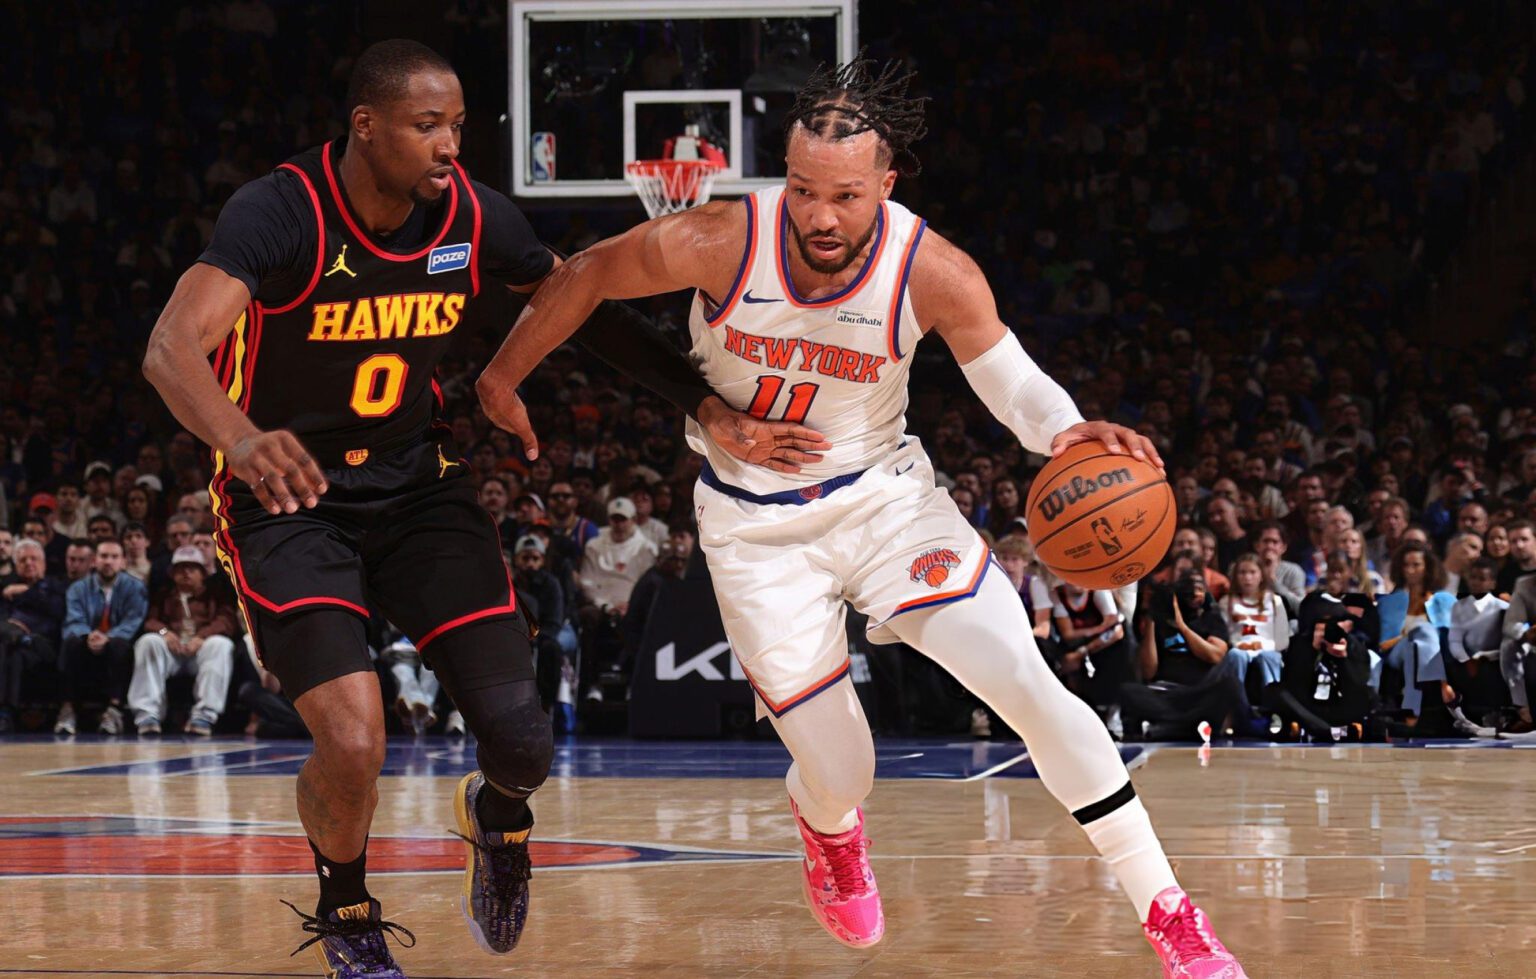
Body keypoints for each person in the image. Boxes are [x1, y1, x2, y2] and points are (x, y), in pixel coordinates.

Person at [476, 56, 1245, 974]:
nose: (820, 215)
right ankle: (830, 826)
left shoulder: (935, 271)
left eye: (844, 194)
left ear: (886, 183)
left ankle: (1171, 913)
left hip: (888, 504)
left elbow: (1013, 386)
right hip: (755, 530)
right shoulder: (724, 237)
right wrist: (501, 375)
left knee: (1034, 691)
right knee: (845, 771)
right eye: (802, 189)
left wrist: (1074, 430)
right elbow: (591, 273)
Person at [140, 38, 813, 973]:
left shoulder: (469, 215)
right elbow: (172, 345)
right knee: (354, 736)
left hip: (420, 488)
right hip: (288, 502)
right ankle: (347, 909)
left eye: (458, 124)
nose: (451, 144)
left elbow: (582, 293)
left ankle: (496, 821)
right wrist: (244, 441)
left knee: (523, 741)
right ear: (365, 127)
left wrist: (700, 402)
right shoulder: (280, 212)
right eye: (427, 126)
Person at [127, 545, 237, 736]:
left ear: (203, 573)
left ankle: (204, 716)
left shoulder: (215, 594)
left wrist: (202, 637)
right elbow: (150, 620)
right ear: (172, 573)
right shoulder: (164, 595)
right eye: (181, 568)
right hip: (173, 652)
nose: (186, 572)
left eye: (192, 568)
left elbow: (226, 621)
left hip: (200, 653)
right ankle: (147, 715)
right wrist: (164, 632)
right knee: (148, 642)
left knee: (221, 644)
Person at [56, 537, 148, 736]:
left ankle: (114, 710)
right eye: (103, 556)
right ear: (94, 561)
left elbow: (133, 621)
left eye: (114, 557)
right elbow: (74, 620)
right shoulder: (77, 588)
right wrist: (89, 635)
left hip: (117, 644)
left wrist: (109, 637)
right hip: (86, 642)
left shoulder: (135, 587)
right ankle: (68, 709)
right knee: (70, 642)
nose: (108, 561)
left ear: (123, 561)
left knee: (120, 645)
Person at [0, 540, 65, 733]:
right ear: (16, 565)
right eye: (23, 560)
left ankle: (4, 713)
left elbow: (56, 611)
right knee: (10, 651)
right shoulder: (5, 589)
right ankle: (5, 713)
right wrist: (15, 632)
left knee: (10, 648)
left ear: (44, 563)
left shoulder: (55, 587)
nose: (29, 563)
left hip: (43, 648)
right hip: (13, 646)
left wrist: (28, 591)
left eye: (34, 559)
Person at [1220, 554, 1288, 692]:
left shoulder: (1275, 601)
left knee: (1269, 657)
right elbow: (1224, 634)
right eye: (1242, 572)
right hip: (1239, 647)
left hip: (1268, 648)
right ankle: (1235, 699)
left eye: (1252, 572)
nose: (1247, 577)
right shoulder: (1226, 602)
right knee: (1236, 655)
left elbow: (1283, 639)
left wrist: (1263, 645)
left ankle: (1273, 700)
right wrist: (1241, 645)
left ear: (1261, 575)